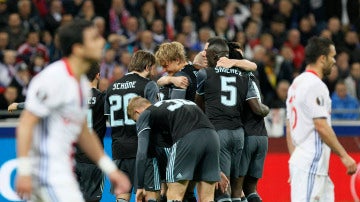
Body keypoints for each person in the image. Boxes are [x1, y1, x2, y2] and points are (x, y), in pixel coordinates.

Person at [15, 19, 130, 202]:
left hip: (64, 173)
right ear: (78, 48)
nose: (102, 42)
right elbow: (26, 124)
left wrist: (110, 169)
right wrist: (24, 171)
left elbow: (83, 132)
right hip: (47, 174)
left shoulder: (81, 87)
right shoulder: (54, 78)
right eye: (94, 38)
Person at [286, 36, 357, 202]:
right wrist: (344, 156)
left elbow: (289, 125)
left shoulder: (296, 83)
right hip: (311, 163)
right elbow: (321, 126)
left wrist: (293, 158)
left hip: (308, 164)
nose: (334, 61)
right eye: (332, 56)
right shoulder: (316, 85)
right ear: (322, 58)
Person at [195, 38, 267, 202]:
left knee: (222, 189)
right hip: (239, 134)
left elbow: (198, 105)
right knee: (237, 190)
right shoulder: (243, 75)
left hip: (218, 132)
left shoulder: (205, 74)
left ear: (214, 55)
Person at [127, 97, 220, 202]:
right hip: (213, 137)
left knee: (174, 196)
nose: (137, 122)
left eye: (135, 120)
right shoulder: (170, 106)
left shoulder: (145, 114)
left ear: (137, 111)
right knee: (207, 198)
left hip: (187, 137)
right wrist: (218, 170)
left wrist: (139, 186)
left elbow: (141, 153)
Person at [104, 50, 160, 202]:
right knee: (149, 195)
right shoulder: (149, 85)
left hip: (118, 150)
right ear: (147, 66)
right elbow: (157, 117)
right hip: (143, 149)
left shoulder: (111, 88)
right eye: (154, 67)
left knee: (122, 196)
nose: (155, 71)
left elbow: (108, 119)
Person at [74, 62, 107, 202]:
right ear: (98, 75)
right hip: (93, 158)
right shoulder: (102, 98)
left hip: (73, 157)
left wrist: (18, 105)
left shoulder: (72, 98)